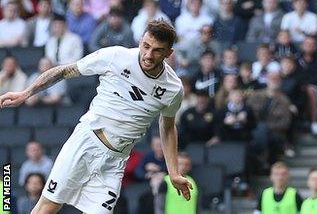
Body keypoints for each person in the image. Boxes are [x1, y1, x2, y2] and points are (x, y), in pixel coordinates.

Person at [0, 20, 193, 213]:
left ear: (169, 53)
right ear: (141, 40)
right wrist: (26, 93)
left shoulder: (173, 89)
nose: (148, 55)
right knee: (47, 207)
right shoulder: (116, 56)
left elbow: (167, 127)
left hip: (115, 162)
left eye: (158, 50)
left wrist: (174, 172)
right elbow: (66, 70)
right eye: (146, 46)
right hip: (85, 143)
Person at [247, 73, 293, 164]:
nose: (274, 81)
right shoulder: (256, 95)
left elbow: (285, 122)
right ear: (267, 80)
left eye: (276, 79)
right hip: (253, 128)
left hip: (274, 131)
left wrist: (267, 127)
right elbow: (247, 112)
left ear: (280, 82)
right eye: (272, 78)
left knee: (264, 132)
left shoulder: (284, 100)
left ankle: (262, 161)